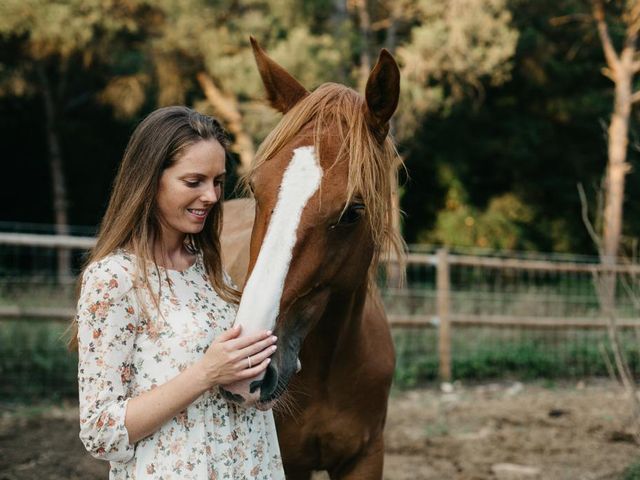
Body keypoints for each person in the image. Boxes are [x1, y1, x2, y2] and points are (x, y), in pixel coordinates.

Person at [72, 106, 284, 479]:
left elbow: (245, 386)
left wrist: (261, 371)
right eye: (194, 181)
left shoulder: (213, 271)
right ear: (150, 180)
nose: (212, 196)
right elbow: (100, 431)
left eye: (217, 181)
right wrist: (206, 372)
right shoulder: (114, 279)